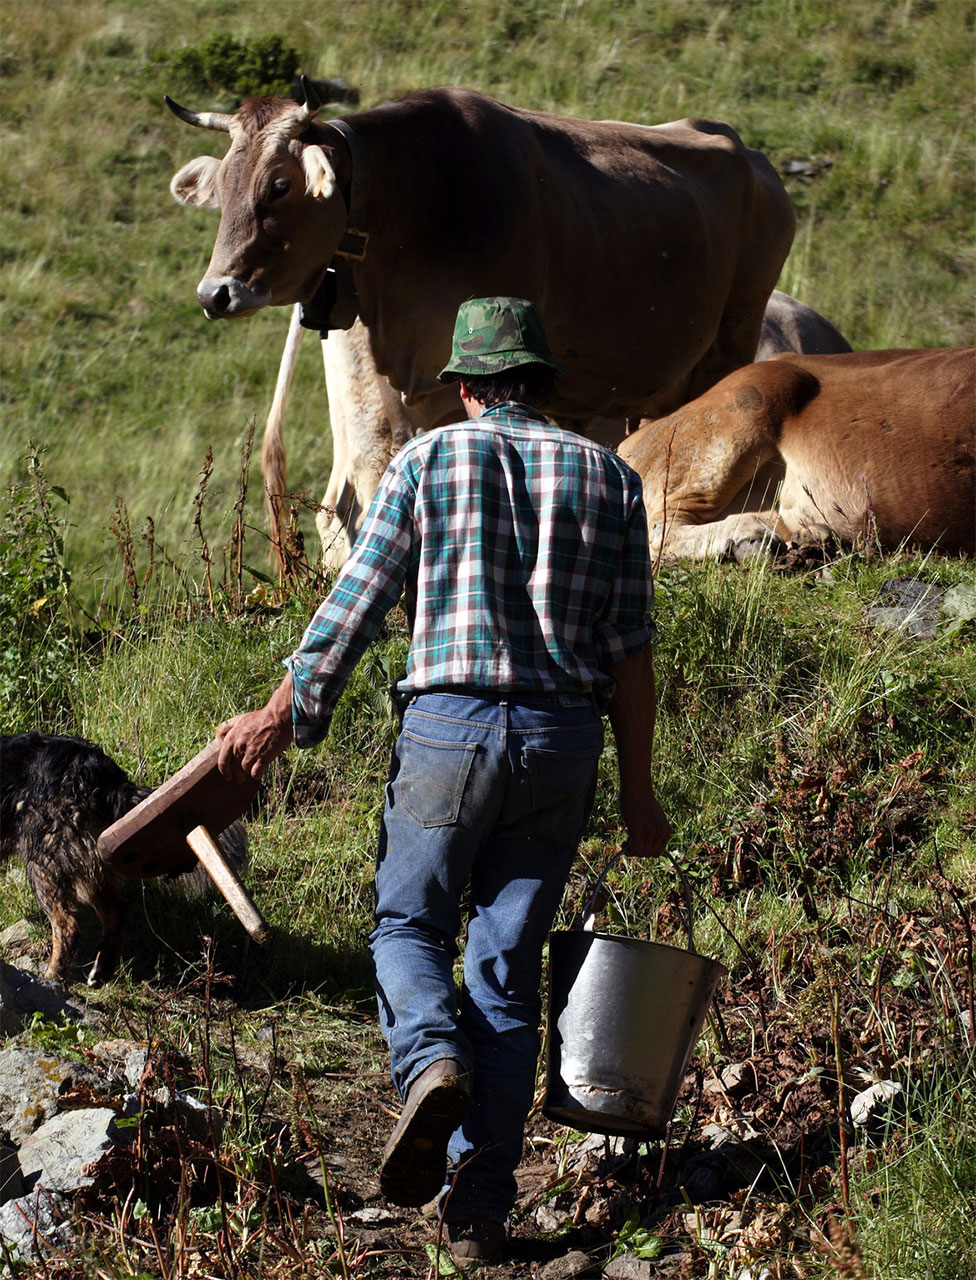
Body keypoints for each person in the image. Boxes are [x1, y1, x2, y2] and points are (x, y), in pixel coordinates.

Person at [216, 297, 671, 1267]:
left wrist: (279, 716)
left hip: (448, 730)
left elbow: (358, 601)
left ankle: (429, 1060)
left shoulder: (425, 460)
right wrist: (640, 790)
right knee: (505, 967)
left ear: (465, 387)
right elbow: (631, 652)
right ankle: (478, 1208)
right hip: (561, 738)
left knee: (407, 926)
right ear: (542, 382)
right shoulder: (608, 477)